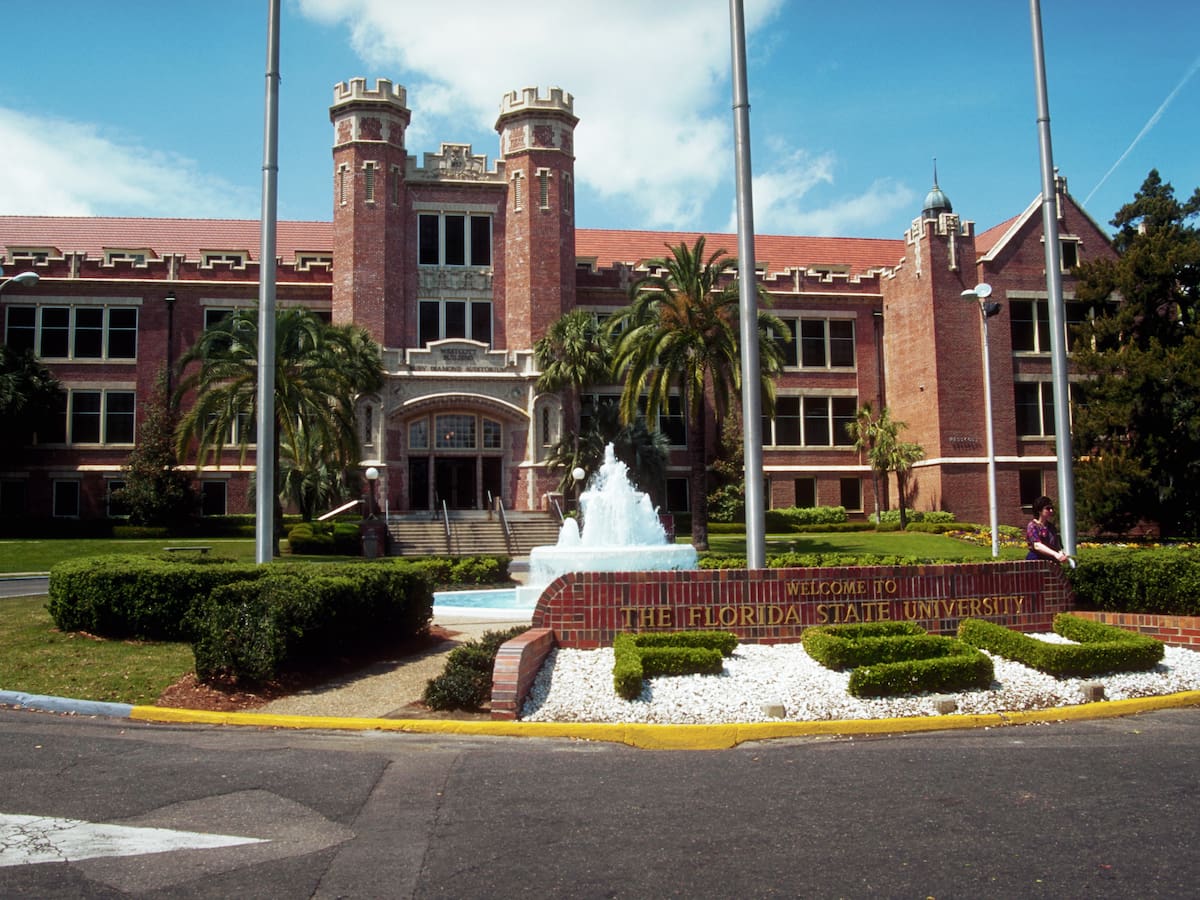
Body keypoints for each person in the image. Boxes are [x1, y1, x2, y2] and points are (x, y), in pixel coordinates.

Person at [1026, 495, 1068, 563]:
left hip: (1051, 562)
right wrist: (1055, 554)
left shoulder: (1051, 527)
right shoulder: (1032, 526)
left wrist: (1061, 554)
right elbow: (1037, 545)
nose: (1051, 510)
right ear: (1039, 510)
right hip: (1036, 561)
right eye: (1048, 508)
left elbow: (1057, 545)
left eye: (1052, 508)